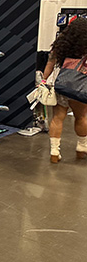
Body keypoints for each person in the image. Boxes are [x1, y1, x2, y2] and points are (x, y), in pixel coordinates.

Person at [42, 17, 87, 163]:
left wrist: (43, 81)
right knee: (81, 117)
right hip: (80, 88)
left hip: (61, 85)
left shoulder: (61, 45)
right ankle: (81, 147)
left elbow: (50, 63)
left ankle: (54, 151)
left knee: (57, 118)